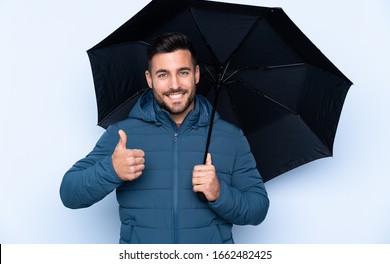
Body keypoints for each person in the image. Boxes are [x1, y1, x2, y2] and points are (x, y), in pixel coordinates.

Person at [60, 32, 269, 244]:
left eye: (183, 72)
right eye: (163, 74)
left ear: (196, 74)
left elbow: (258, 208)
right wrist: (111, 170)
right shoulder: (123, 134)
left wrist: (219, 193)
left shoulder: (229, 136)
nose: (174, 84)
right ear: (149, 79)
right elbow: (69, 193)